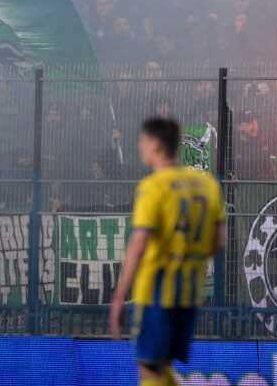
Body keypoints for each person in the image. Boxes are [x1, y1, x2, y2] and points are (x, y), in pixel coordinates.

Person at [108, 117, 226, 386]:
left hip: (157, 290)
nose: (140, 146)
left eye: (143, 141)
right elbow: (218, 242)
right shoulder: (207, 184)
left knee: (148, 367)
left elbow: (138, 245)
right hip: (190, 292)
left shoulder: (153, 186)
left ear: (156, 144)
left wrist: (119, 297)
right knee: (162, 366)